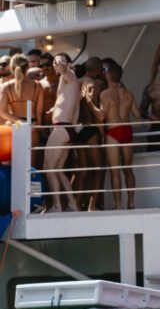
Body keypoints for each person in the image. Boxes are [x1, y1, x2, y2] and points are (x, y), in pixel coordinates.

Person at [84, 63, 140, 210]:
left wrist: (89, 102)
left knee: (115, 171)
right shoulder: (128, 93)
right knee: (128, 169)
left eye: (104, 71)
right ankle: (131, 202)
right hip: (127, 130)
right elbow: (137, 114)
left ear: (109, 75)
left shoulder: (105, 94)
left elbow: (101, 116)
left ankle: (118, 205)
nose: (102, 73)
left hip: (113, 131)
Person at [43, 53, 80, 212]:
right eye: (55, 62)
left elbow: (64, 70)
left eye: (59, 62)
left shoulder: (69, 76)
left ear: (69, 64)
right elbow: (68, 103)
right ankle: (72, 204)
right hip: (67, 128)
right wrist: (53, 109)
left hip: (62, 127)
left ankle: (57, 205)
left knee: (48, 167)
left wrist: (60, 62)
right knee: (57, 169)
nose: (56, 64)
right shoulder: (68, 82)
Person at [0, 54, 44, 167]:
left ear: (12, 67)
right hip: (32, 128)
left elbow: (2, 112)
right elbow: (39, 113)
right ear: (27, 67)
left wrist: (21, 122)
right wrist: (34, 125)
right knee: (30, 168)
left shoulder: (5, 86)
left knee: (11, 167)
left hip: (14, 126)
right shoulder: (37, 86)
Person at [76, 57, 105, 211]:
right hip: (91, 128)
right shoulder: (95, 85)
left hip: (77, 129)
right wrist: (102, 134)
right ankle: (92, 206)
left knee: (83, 169)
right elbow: (95, 111)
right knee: (100, 168)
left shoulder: (76, 82)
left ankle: (76, 203)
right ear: (99, 69)